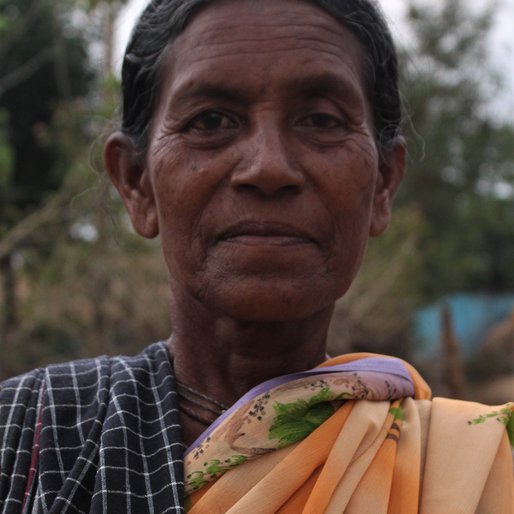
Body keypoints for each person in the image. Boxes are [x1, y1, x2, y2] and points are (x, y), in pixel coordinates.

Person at [1, 0, 512, 512]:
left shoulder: (478, 471)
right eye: (212, 120)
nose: (269, 167)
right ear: (137, 183)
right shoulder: (28, 440)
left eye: (320, 119)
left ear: (382, 184)